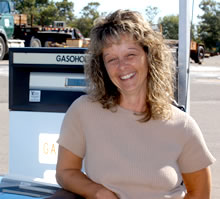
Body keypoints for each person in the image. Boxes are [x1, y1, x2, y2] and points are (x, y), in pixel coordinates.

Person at [56, 9, 215, 199]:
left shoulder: (182, 125)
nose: (122, 66)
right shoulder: (83, 111)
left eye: (130, 55)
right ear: (102, 67)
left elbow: (200, 193)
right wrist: (98, 192)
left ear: (149, 55)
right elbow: (65, 172)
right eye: (112, 59)